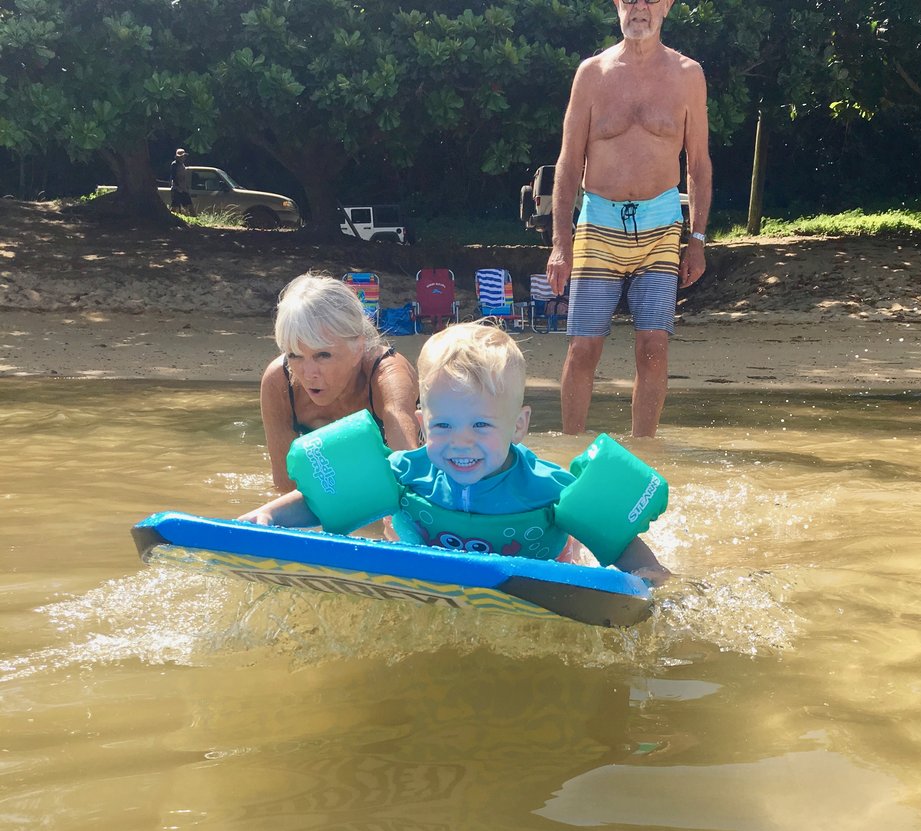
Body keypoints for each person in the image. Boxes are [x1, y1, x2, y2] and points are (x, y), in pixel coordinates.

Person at [239, 323, 670, 585]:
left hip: (538, 567)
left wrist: (652, 583)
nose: (461, 442)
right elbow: (323, 500)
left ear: (519, 425)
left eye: (481, 425)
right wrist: (268, 518)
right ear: (423, 424)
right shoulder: (407, 473)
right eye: (443, 426)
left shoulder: (548, 490)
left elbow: (621, 547)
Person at [546, 0, 713, 440]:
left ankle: (645, 452)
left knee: (654, 347)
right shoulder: (592, 73)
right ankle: (572, 452)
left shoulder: (687, 75)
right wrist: (560, 243)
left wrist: (696, 238)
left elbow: (698, 163)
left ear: (667, 6)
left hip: (661, 226)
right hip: (598, 223)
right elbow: (568, 162)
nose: (640, 7)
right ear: (618, 5)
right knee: (583, 347)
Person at [259, 272, 420, 496]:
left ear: (357, 349)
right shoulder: (280, 381)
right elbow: (286, 486)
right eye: (295, 355)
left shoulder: (387, 374)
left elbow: (409, 478)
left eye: (323, 355)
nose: (308, 373)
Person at [169, 148, 192, 214]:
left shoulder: (182, 165)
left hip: (183, 188)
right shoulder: (174, 164)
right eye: (181, 156)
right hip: (177, 189)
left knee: (189, 205)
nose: (183, 158)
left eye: (183, 156)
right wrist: (178, 186)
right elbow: (174, 176)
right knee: (175, 207)